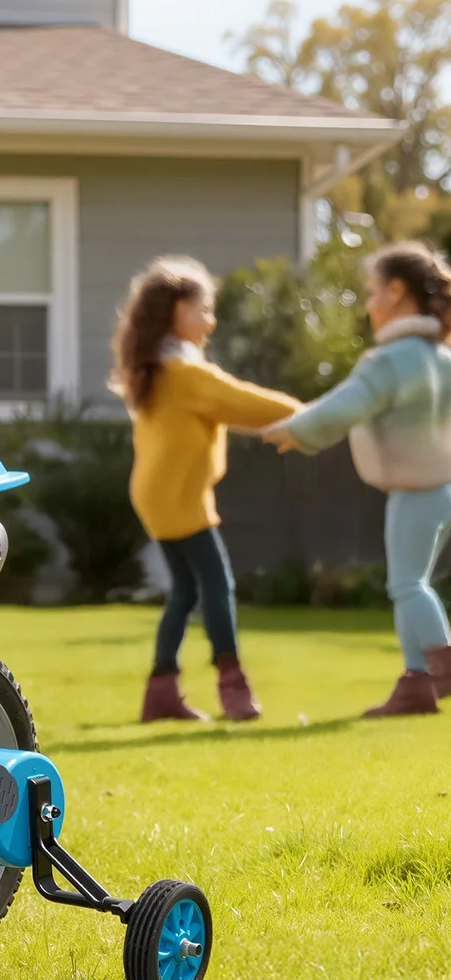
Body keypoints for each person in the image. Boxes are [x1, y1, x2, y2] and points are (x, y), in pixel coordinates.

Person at [263, 243, 451, 717]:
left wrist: (297, 428)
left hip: (416, 489)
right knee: (408, 582)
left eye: (371, 293)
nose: (367, 304)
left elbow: (348, 403)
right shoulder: (441, 358)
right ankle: (415, 684)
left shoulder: (392, 361)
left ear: (396, 292)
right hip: (442, 488)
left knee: (408, 584)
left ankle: (440, 664)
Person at [112, 256, 301, 723]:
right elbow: (237, 400)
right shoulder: (182, 372)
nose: (210, 321)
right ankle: (232, 683)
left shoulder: (160, 366)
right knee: (217, 584)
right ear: (175, 310)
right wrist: (310, 415)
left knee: (186, 591)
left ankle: (161, 690)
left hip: (161, 493)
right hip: (179, 496)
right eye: (203, 309)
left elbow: (227, 408)